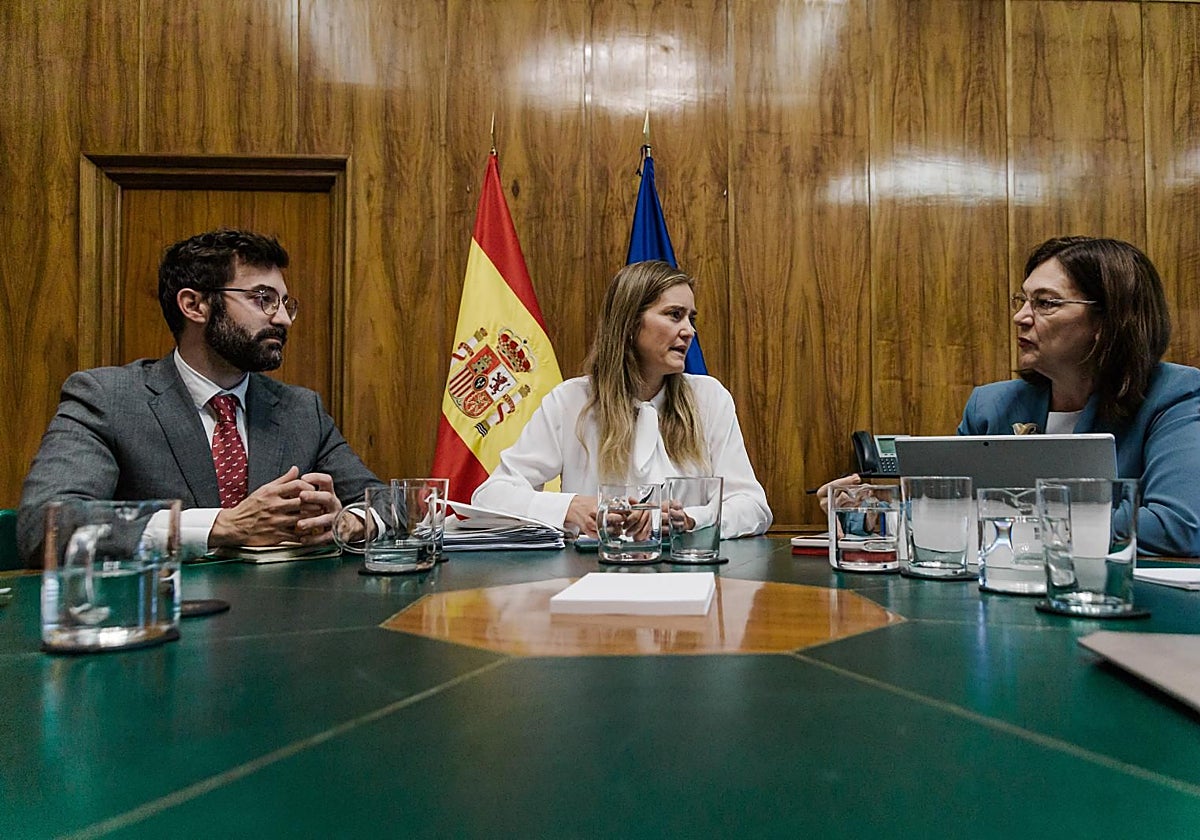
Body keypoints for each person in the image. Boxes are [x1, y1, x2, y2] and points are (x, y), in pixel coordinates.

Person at [17, 228, 381, 565]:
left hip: (284, 619)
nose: (283, 319)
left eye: (286, 304)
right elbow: (47, 525)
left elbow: (384, 502)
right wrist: (221, 526)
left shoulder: (301, 410)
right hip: (161, 616)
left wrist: (346, 522)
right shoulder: (107, 399)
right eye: (263, 299)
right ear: (194, 306)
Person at [822, 236, 1200, 557]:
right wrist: (869, 511)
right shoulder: (992, 406)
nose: (1021, 316)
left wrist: (1001, 516)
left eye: (1045, 303)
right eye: (1021, 300)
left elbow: (1177, 527)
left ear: (1107, 321)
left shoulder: (1174, 396)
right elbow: (946, 511)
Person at [472, 260, 772, 539]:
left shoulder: (709, 398)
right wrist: (570, 508)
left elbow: (753, 507)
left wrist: (692, 519)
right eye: (674, 315)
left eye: (691, 318)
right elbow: (490, 495)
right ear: (629, 324)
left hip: (690, 578)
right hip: (590, 577)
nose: (689, 331)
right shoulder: (571, 401)